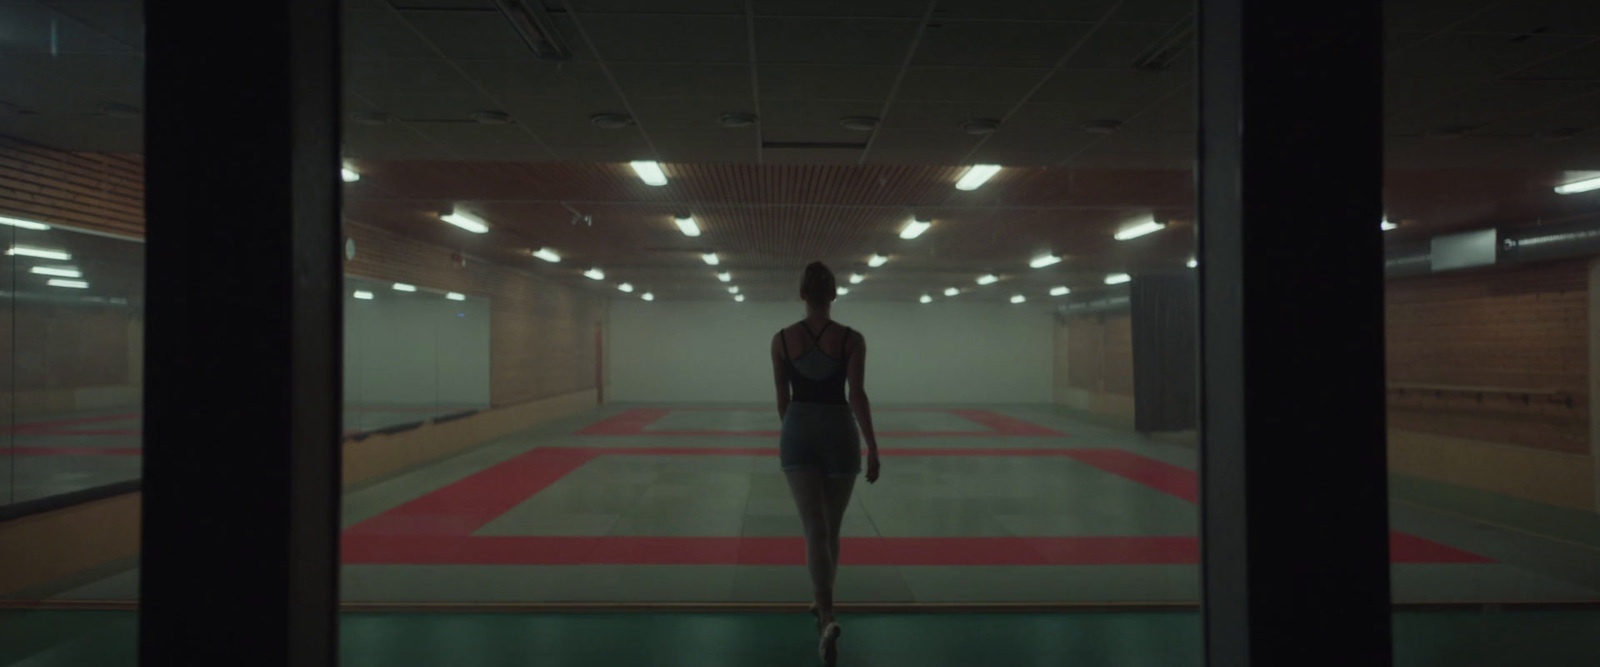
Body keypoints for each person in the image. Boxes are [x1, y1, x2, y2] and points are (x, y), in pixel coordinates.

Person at [770, 261, 881, 666]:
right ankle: (826, 610)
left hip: (798, 427)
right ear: (833, 294)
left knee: (812, 529)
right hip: (840, 432)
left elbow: (783, 400)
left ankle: (826, 612)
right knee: (831, 527)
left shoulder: (781, 340)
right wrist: (873, 446)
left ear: (802, 294)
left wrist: (796, 432)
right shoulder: (852, 340)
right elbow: (858, 397)